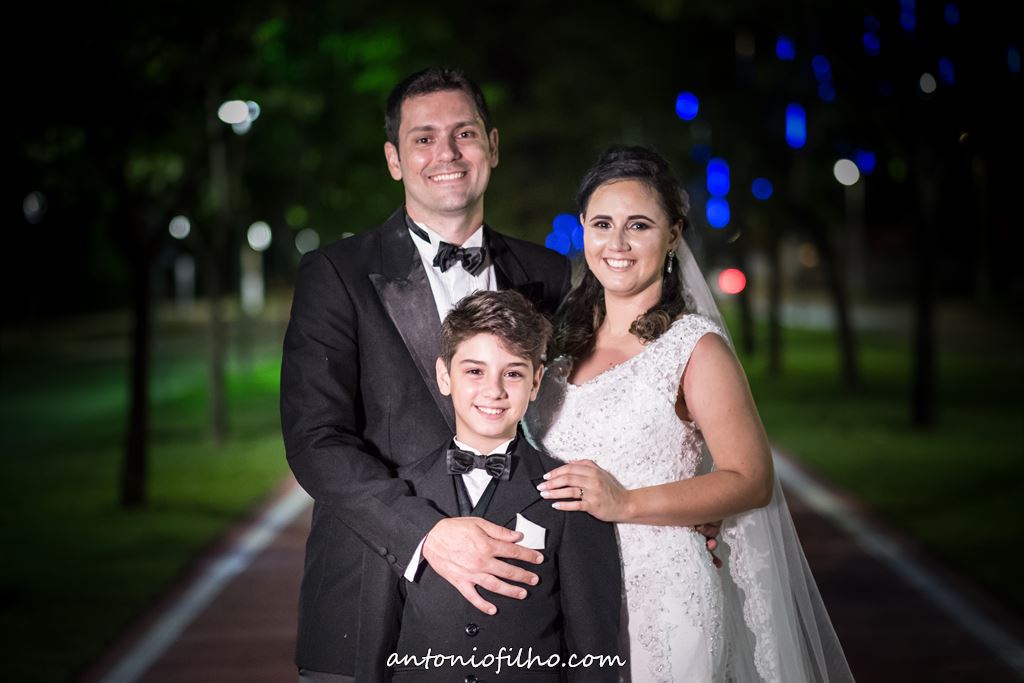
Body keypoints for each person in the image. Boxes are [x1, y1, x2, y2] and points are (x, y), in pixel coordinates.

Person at [280, 67, 571, 681]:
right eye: (423, 138)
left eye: (464, 134)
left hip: (518, 605)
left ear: (492, 146)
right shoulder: (335, 273)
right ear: (394, 159)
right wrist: (428, 534)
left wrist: (661, 508)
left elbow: (581, 413)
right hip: (369, 593)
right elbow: (315, 439)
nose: (447, 153)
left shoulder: (547, 273)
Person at [525, 146, 855, 682]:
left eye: (639, 225)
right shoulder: (559, 344)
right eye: (603, 224)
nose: (617, 243)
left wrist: (627, 502)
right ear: (582, 227)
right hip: (569, 596)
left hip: (663, 598)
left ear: (673, 234)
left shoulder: (694, 348)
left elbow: (751, 479)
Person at [375, 289, 621, 681]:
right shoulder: (403, 490)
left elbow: (593, 648)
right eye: (475, 371)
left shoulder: (568, 495)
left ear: (536, 382)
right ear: (444, 375)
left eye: (513, 373)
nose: (494, 390)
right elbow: (380, 632)